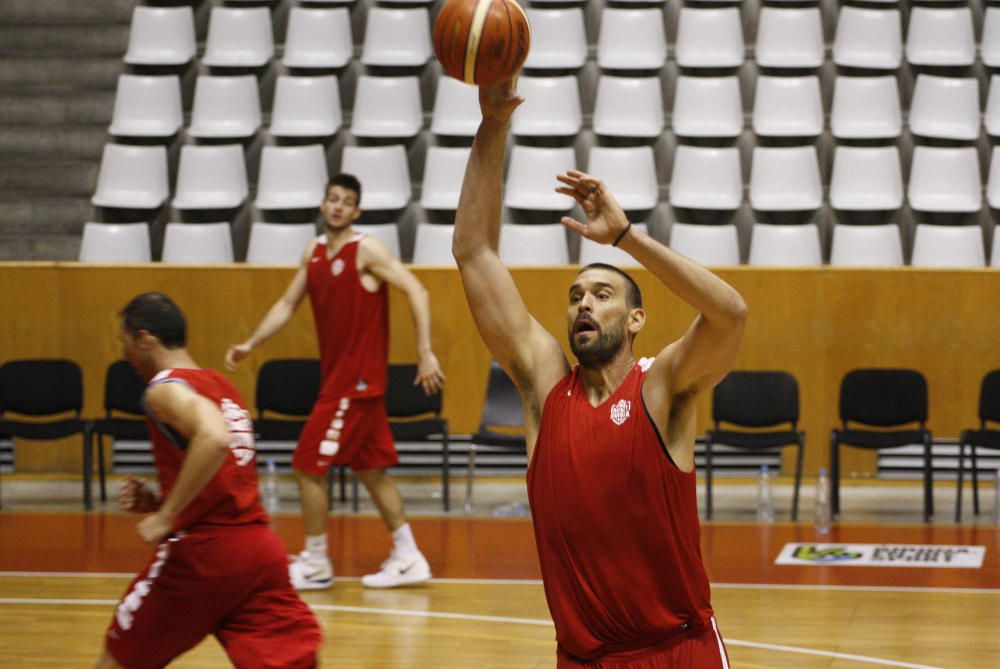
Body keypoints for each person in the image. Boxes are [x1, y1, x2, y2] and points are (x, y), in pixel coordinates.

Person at [452, 80, 748, 668]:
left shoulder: (661, 388)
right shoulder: (544, 392)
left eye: (603, 293)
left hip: (676, 650)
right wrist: (491, 127)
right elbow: (474, 252)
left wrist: (627, 238)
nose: (583, 303)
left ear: (636, 318)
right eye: (576, 295)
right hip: (584, 657)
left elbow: (729, 313)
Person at [226, 173, 446, 590]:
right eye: (333, 199)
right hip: (343, 384)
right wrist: (250, 343)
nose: (338, 206)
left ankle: (314, 562)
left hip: (355, 386)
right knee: (372, 472)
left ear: (356, 211)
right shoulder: (313, 253)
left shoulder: (367, 251)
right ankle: (408, 556)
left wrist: (425, 351)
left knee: (308, 468)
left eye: (347, 201)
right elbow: (288, 303)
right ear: (324, 205)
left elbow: (417, 291)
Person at [96, 292, 322, 669]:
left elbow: (214, 438)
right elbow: (226, 470)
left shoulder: (164, 388)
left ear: (146, 339)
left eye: (125, 341)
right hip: (258, 554)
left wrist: (166, 515)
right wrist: (161, 498)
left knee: (118, 661)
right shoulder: (221, 386)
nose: (124, 354)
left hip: (203, 557)